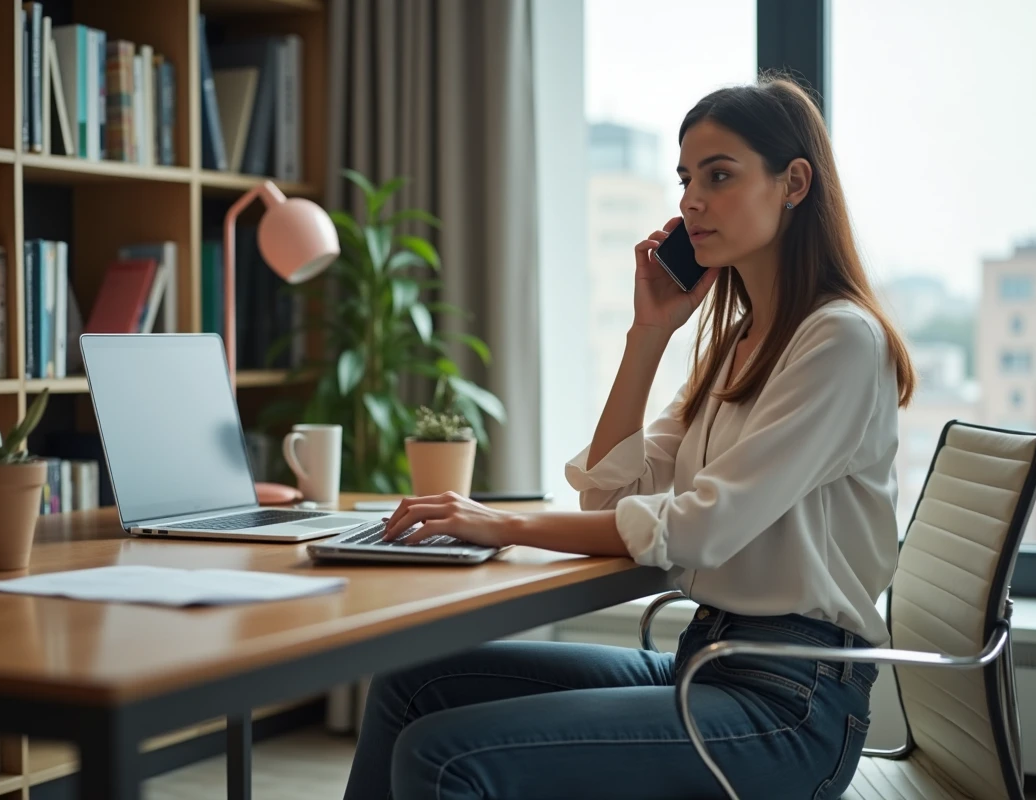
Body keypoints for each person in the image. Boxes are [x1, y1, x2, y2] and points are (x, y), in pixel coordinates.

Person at [342, 74, 916, 800]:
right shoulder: (739, 342)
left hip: (791, 707)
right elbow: (609, 492)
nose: (690, 202)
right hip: (708, 661)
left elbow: (702, 527)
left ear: (793, 182)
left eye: (719, 175)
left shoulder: (839, 341)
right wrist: (648, 336)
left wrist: (504, 523)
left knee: (446, 755)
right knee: (413, 685)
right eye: (684, 179)